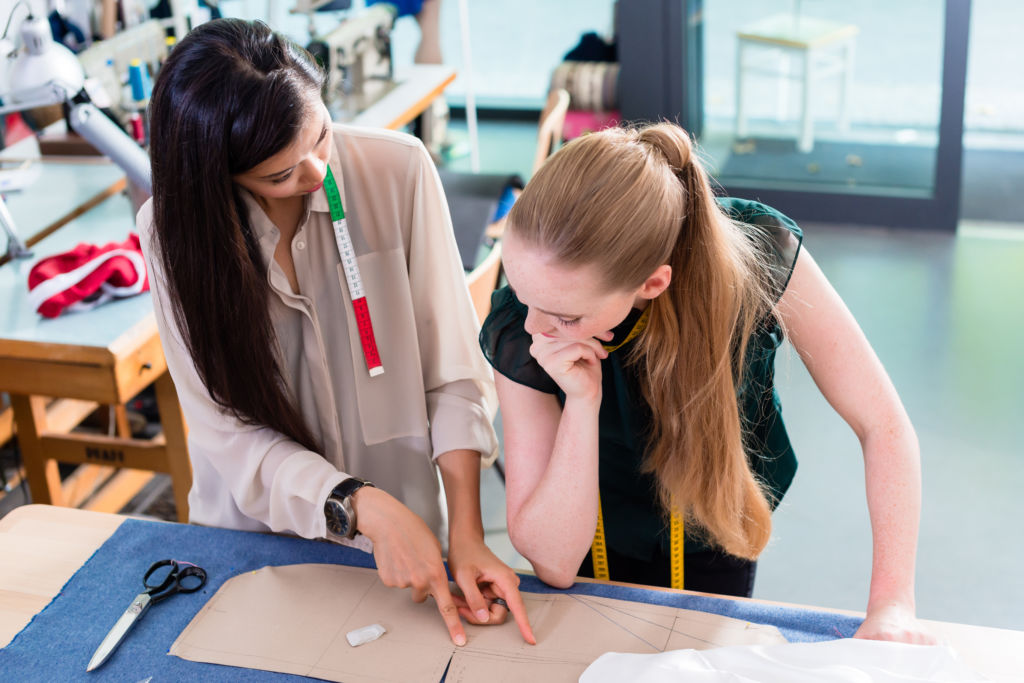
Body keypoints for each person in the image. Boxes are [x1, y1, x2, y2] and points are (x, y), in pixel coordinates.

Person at [138, 18, 533, 646]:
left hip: (407, 548)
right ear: (218, 179)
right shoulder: (173, 234)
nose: (317, 174)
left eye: (321, 136)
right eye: (279, 175)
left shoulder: (396, 171)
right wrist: (357, 505)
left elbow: (454, 372)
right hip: (256, 547)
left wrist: (467, 531)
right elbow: (227, 433)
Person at [480, 122, 933, 643]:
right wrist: (582, 403)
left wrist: (893, 605)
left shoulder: (756, 254)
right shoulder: (527, 317)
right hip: (585, 540)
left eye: (562, 315)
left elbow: (884, 425)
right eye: (521, 293)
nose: (534, 328)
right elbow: (555, 564)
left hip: (712, 532)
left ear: (652, 283)